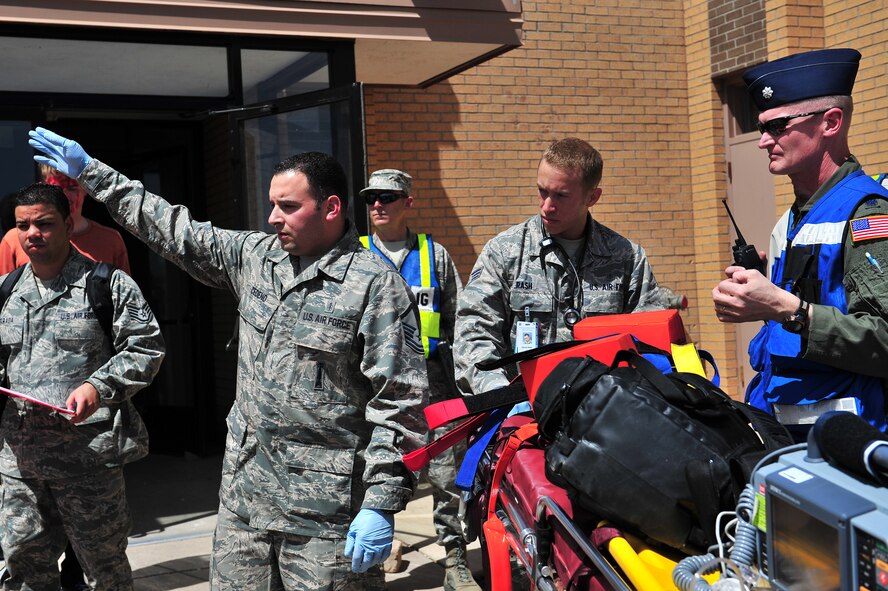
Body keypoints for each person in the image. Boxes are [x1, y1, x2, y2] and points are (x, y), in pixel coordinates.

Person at [29, 127, 429, 591]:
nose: (273, 217)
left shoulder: (375, 286)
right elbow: (172, 227)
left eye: (289, 206)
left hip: (326, 517)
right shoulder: (257, 258)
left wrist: (381, 503)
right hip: (245, 503)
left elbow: (400, 403)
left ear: (332, 207)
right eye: (272, 204)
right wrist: (93, 174)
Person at [712, 48, 888, 441]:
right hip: (789, 438)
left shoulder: (867, 213)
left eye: (777, 126)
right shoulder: (799, 215)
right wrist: (760, 295)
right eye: (761, 128)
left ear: (830, 122)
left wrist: (784, 307)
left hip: (847, 451)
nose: (762, 142)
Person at [0, 183, 165, 591]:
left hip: (88, 462)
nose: (32, 234)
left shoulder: (107, 285)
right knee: (24, 569)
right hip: (21, 463)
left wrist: (99, 386)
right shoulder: (4, 291)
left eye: (44, 223)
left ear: (68, 224)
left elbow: (147, 348)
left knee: (103, 571)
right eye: (23, 226)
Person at [454, 137, 670, 396]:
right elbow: (474, 332)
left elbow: (650, 343)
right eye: (542, 191)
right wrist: (501, 395)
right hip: (524, 414)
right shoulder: (504, 252)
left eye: (561, 196)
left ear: (592, 197)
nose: (547, 206)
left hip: (603, 412)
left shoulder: (625, 258)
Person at [359, 169, 478, 591]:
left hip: (435, 388)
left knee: (447, 481)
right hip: (375, 394)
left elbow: (460, 322)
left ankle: (455, 560)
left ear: (408, 202)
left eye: (388, 198)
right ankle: (377, 556)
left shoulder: (434, 256)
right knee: (378, 475)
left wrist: (469, 384)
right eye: (372, 197)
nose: (378, 204)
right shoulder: (353, 256)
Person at [0, 164, 131, 276]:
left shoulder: (110, 240)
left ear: (86, 190)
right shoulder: (15, 240)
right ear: (43, 188)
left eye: (72, 189)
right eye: (58, 188)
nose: (66, 196)